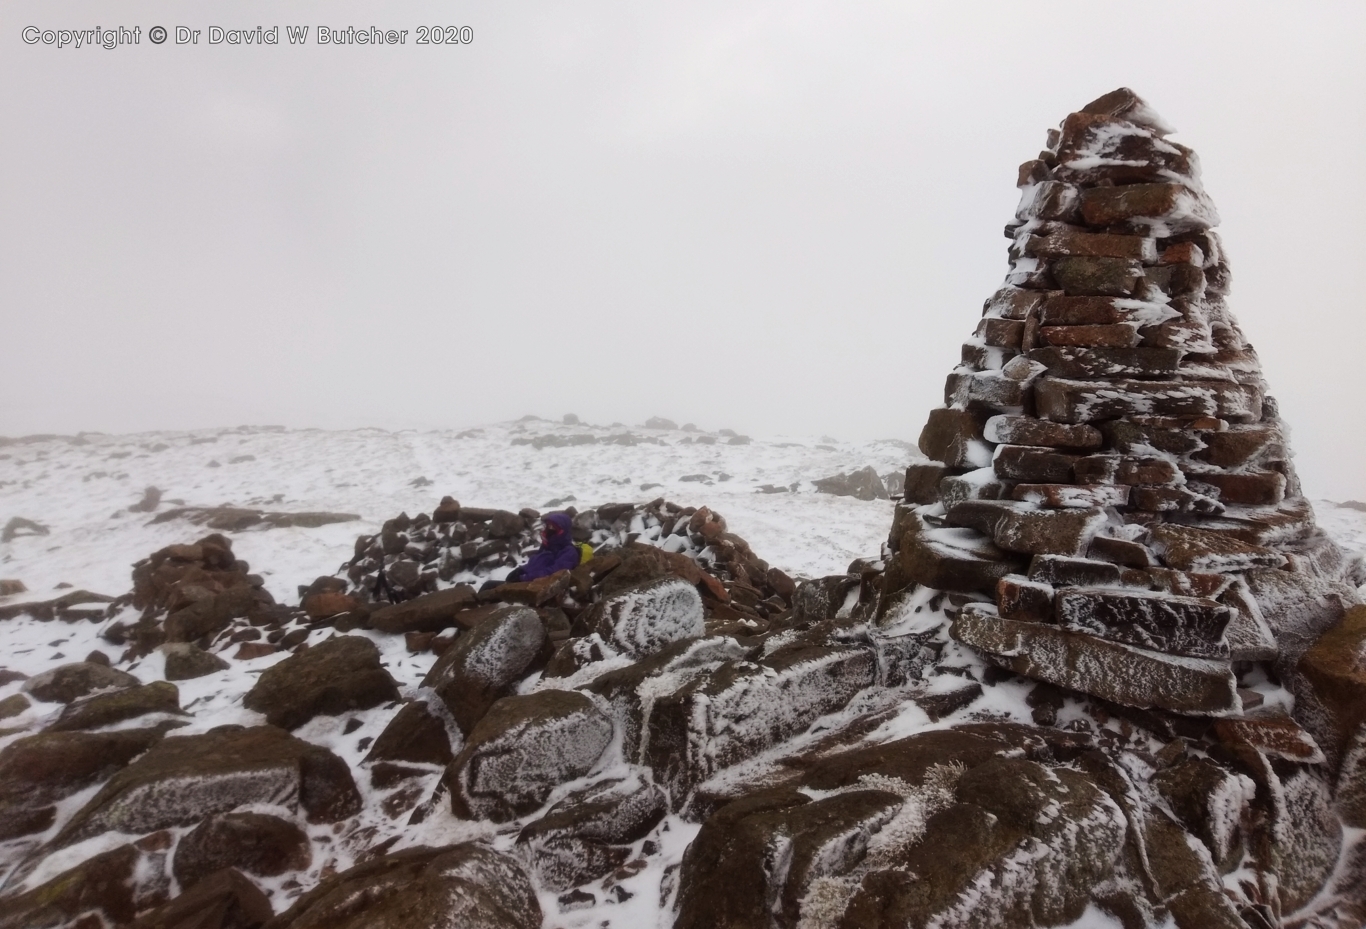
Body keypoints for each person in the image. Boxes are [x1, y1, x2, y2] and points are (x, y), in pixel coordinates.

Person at [506, 512, 581, 582]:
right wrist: (521, 569)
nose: (549, 529)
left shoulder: (569, 552)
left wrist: (524, 578)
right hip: (529, 579)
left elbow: (553, 573)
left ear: (562, 531)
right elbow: (536, 563)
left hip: (537, 586)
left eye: (553, 527)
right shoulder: (548, 545)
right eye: (548, 526)